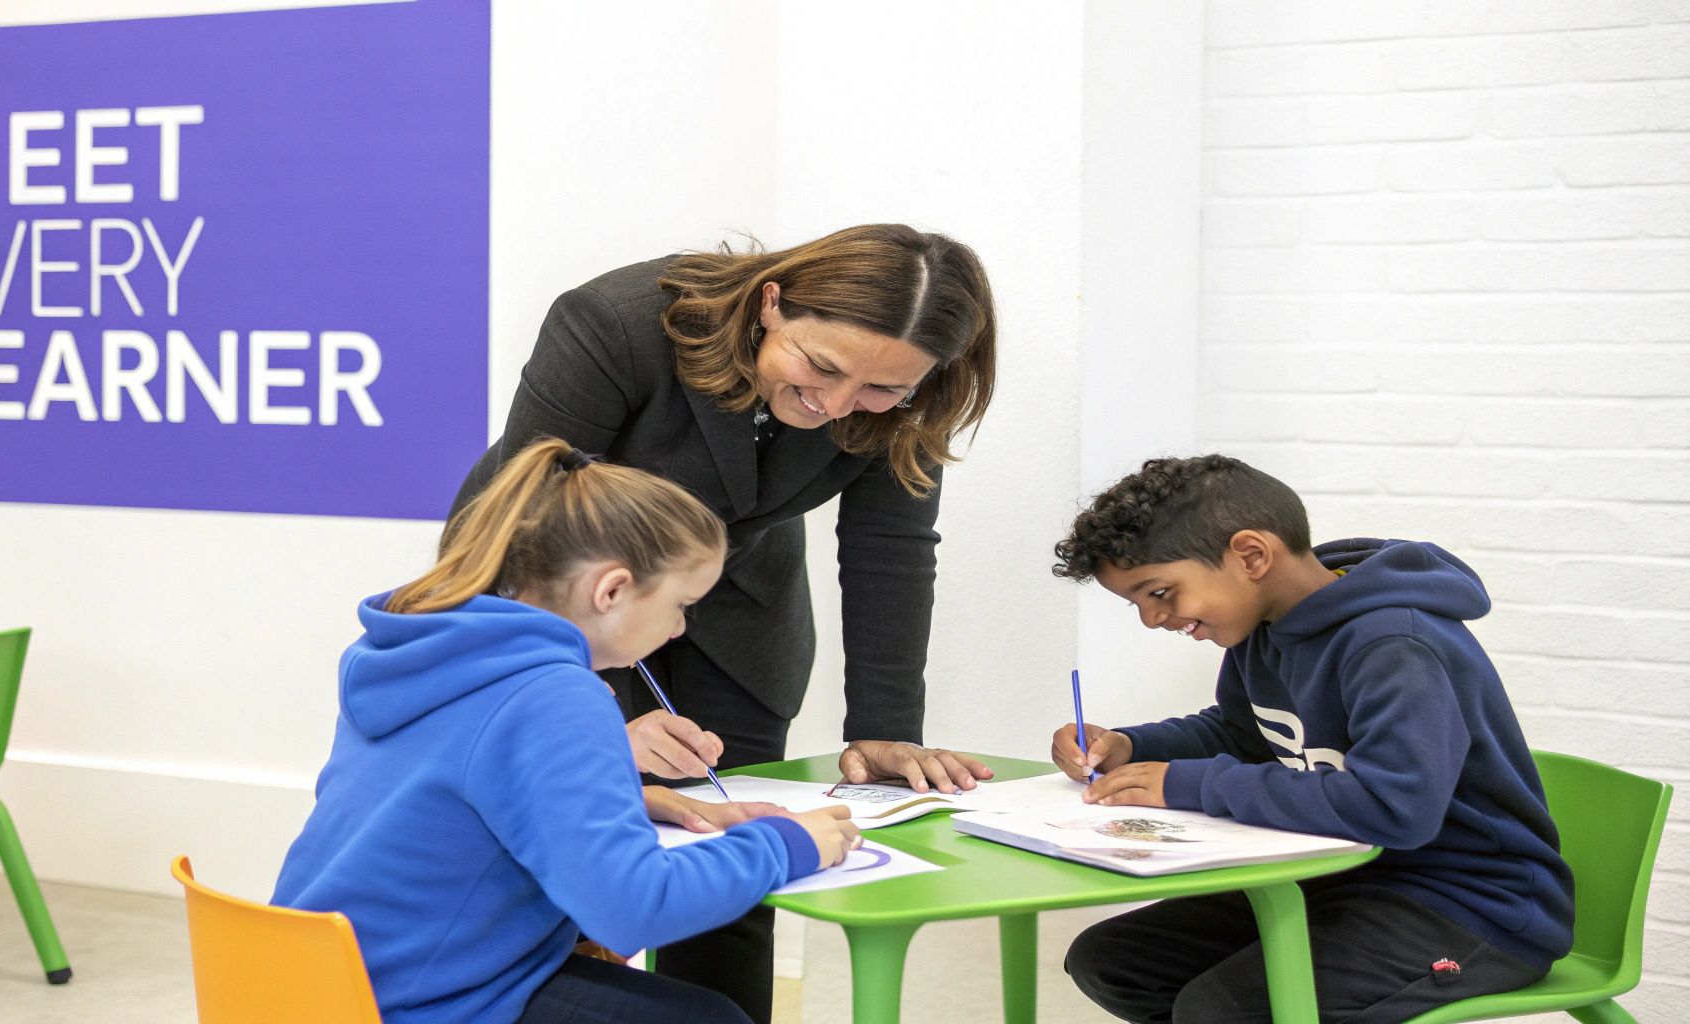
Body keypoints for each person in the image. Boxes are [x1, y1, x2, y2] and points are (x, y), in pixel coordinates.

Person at [448, 224, 998, 1020]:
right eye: (823, 368)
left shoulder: (914, 392)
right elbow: (535, 518)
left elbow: (891, 547)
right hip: (551, 580)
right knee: (561, 843)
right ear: (773, 304)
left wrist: (884, 728)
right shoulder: (616, 322)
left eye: (882, 393)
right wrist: (584, 720)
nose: (837, 408)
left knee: (733, 848)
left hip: (739, 600)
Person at [273, 439, 862, 1024]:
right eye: (683, 604)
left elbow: (452, 800)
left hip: (304, 978)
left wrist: (638, 798)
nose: (681, 630)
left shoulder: (419, 655)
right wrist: (790, 845)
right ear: (611, 591)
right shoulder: (555, 693)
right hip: (414, 1002)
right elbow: (633, 909)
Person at [1046, 454, 1572, 1024]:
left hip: (1467, 905)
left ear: (1250, 555)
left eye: (1160, 593)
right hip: (1338, 876)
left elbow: (1394, 809)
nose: (1152, 620)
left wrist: (1186, 784)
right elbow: (1244, 735)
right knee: (1113, 960)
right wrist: (1130, 745)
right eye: (1139, 603)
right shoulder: (1261, 630)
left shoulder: (1396, 644)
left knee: (1221, 1010)